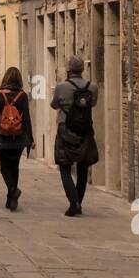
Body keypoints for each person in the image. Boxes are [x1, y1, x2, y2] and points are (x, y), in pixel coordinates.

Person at [50, 55, 99, 216]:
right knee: (83, 167)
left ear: (69, 70)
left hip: (66, 130)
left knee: (64, 167)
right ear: (82, 70)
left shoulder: (61, 87)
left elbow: (54, 104)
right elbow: (93, 104)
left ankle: (74, 202)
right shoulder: (92, 87)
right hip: (85, 130)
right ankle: (78, 201)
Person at [0, 66, 33, 211]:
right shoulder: (23, 96)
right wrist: (31, 139)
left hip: (4, 136)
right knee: (14, 167)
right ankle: (11, 200)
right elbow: (26, 119)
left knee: (4, 168)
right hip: (19, 137)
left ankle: (13, 191)